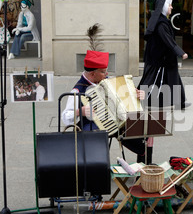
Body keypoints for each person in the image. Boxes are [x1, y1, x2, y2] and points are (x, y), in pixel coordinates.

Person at [62, 36, 151, 164]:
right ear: (93, 74)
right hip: (90, 126)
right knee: (97, 136)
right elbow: (65, 117)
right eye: (103, 72)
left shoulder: (107, 81)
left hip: (117, 121)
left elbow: (125, 98)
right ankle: (96, 167)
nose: (107, 74)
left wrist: (137, 95)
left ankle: (144, 168)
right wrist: (79, 111)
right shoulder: (77, 91)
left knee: (146, 130)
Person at [138, 0, 189, 109]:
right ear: (164, 7)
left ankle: (179, 102)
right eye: (169, 5)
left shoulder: (161, 21)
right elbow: (168, 40)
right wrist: (180, 52)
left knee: (172, 78)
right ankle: (136, 98)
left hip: (164, 57)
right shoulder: (161, 24)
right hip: (159, 58)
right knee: (151, 80)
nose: (171, 7)